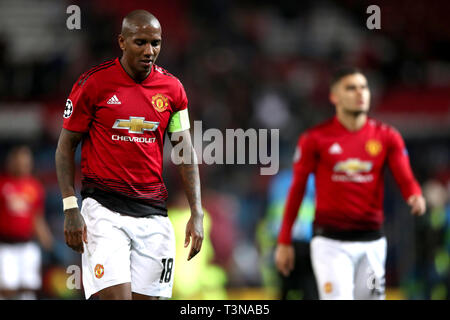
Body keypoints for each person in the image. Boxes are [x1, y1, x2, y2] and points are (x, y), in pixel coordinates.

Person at [55, 10, 204, 300]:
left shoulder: (173, 90)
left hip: (154, 217)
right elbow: (65, 147)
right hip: (104, 212)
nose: (149, 51)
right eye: (140, 43)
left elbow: (185, 152)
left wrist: (196, 212)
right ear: (121, 42)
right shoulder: (93, 84)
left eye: (156, 43)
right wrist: (70, 207)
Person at [274, 67, 426, 300]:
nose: (360, 93)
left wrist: (414, 194)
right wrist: (284, 241)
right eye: (351, 88)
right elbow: (297, 189)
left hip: (372, 243)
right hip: (330, 244)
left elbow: (405, 176)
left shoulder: (386, 136)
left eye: (364, 87)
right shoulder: (315, 139)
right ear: (334, 97)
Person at [0, 145, 53, 299]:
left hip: (28, 246)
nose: (22, 163)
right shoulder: (2, 184)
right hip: (5, 246)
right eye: (18, 159)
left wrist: (47, 242)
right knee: (6, 289)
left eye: (26, 160)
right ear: (10, 161)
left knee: (29, 289)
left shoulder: (35, 187)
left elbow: (37, 218)